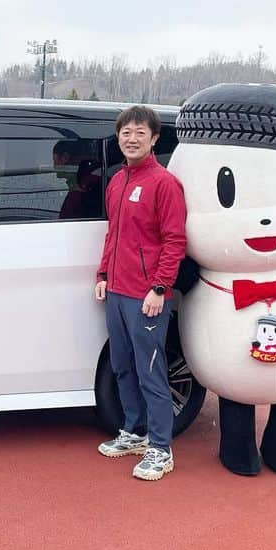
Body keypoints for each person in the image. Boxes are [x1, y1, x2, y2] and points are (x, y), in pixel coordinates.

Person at [94, 106, 187, 480]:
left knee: (151, 371)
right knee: (122, 366)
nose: (131, 139)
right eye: (126, 132)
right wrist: (103, 272)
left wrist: (159, 288)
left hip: (146, 295)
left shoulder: (164, 183)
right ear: (118, 138)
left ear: (154, 139)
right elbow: (113, 234)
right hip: (116, 291)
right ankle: (134, 432)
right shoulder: (117, 181)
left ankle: (161, 448)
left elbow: (174, 240)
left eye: (139, 133)